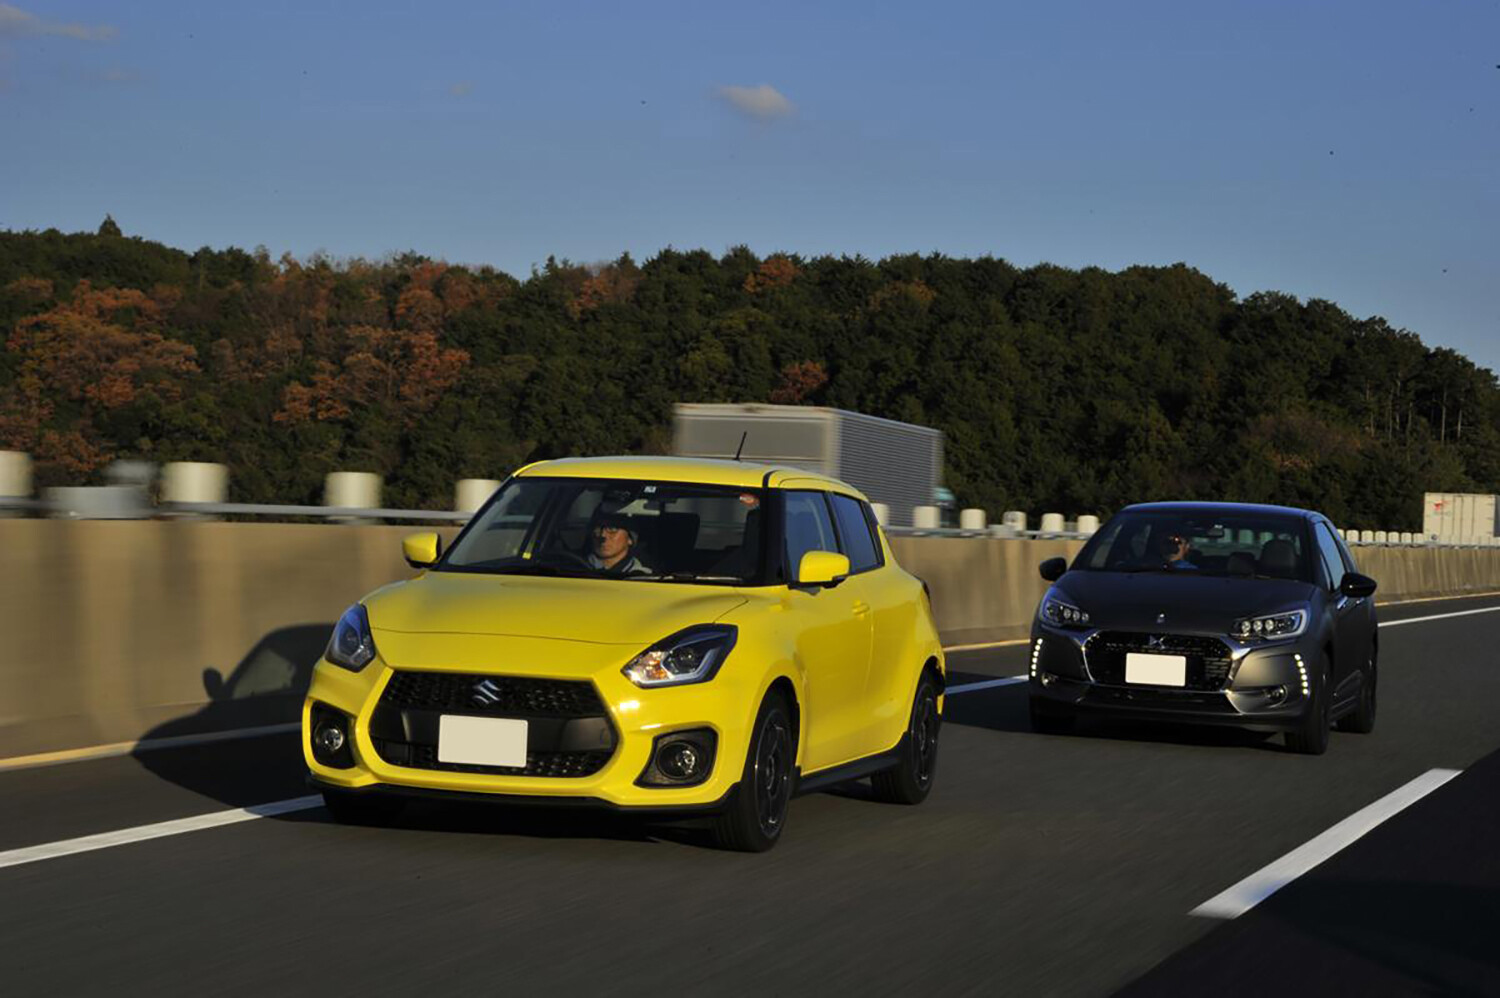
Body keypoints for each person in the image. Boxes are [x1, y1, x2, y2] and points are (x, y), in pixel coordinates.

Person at [587, 509, 651, 576]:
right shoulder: (576, 569)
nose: (603, 535)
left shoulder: (643, 578)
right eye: (598, 528)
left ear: (630, 539)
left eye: (612, 528)